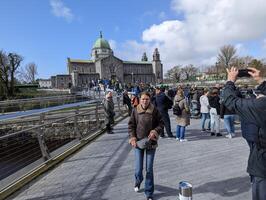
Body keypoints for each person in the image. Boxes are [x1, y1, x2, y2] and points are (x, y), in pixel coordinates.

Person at [223, 67, 266, 200]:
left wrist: (230, 80)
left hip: (262, 163)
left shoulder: (260, 106)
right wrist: (261, 81)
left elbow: (230, 100)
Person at [128, 91, 164, 200]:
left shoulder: (155, 110)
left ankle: (149, 193)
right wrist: (132, 137)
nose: (145, 101)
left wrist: (155, 131)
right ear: (140, 99)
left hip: (151, 142)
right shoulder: (135, 110)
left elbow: (161, 123)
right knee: (138, 168)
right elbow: (131, 125)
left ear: (150, 100)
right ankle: (138, 181)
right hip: (138, 143)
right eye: (143, 99)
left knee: (149, 169)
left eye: (147, 99)